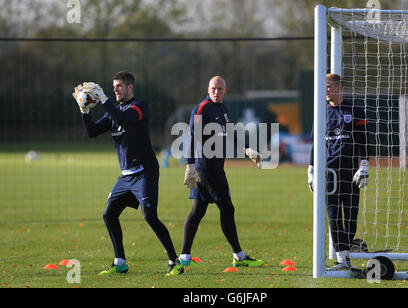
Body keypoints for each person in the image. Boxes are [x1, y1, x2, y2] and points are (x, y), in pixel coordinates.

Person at [72, 71, 183, 276]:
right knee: (109, 214)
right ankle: (120, 261)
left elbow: (123, 117)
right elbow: (92, 132)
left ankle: (174, 262)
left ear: (130, 87)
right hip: (126, 176)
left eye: (119, 86)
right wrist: (84, 110)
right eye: (113, 86)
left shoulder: (139, 107)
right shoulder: (113, 111)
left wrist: (103, 98)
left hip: (145, 172)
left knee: (150, 216)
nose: (115, 89)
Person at [179, 76, 265, 268]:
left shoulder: (222, 109)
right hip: (207, 168)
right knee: (227, 208)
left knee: (197, 211)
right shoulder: (201, 108)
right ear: (207, 89)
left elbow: (229, 132)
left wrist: (246, 149)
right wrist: (189, 165)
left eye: (219, 89)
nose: (216, 92)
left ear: (225, 90)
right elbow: (192, 136)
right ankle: (239, 256)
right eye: (213, 88)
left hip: (215, 166)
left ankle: (184, 257)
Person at [308, 73, 369, 270]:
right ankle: (343, 259)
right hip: (329, 175)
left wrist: (364, 166)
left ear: (338, 87)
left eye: (327, 87)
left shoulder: (356, 111)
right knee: (334, 217)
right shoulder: (321, 112)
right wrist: (311, 170)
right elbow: (315, 144)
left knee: (351, 218)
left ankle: (347, 247)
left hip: (351, 173)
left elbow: (364, 142)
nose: (324, 91)